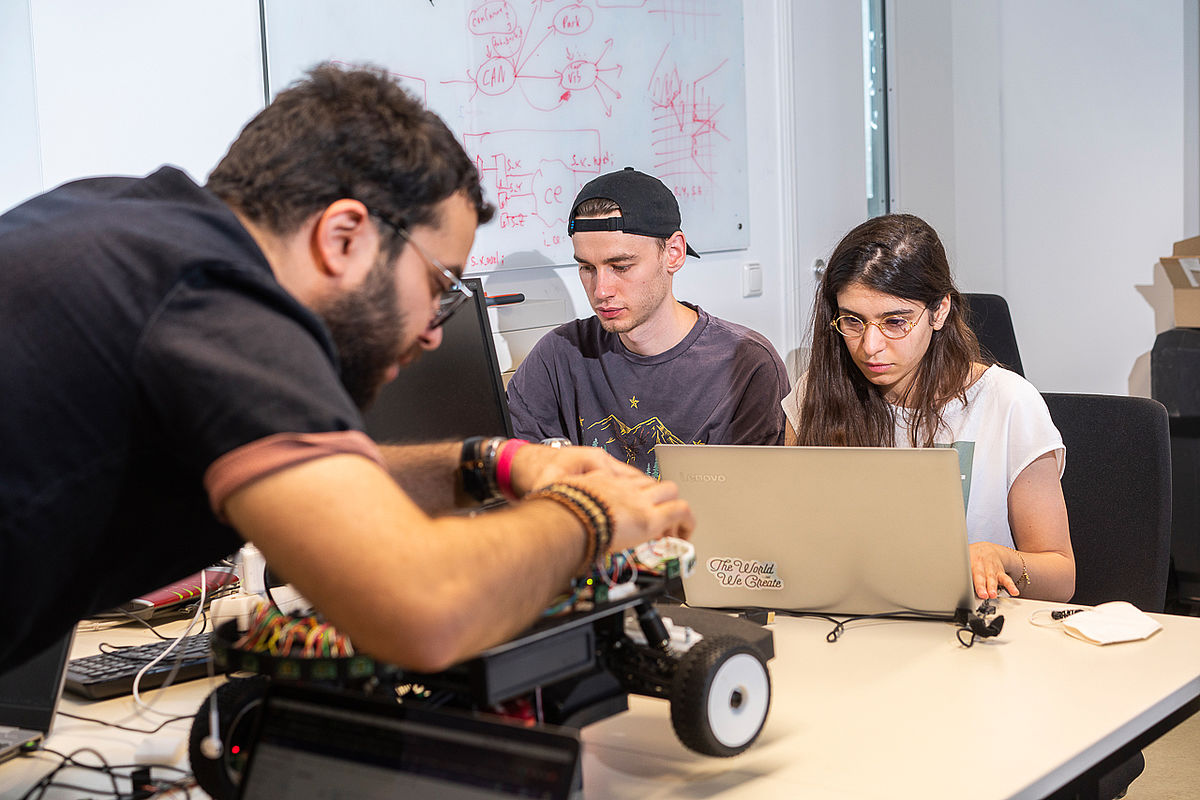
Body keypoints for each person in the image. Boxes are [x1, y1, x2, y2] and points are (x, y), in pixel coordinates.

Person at [0, 64, 693, 673]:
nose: (433, 332)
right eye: (438, 284)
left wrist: (496, 464)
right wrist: (592, 516)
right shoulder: (226, 308)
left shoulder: (131, 224)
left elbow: (325, 492)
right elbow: (422, 609)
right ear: (343, 237)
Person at [783, 213, 1074, 602]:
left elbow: (1061, 578)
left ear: (939, 311)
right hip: (847, 617)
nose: (870, 346)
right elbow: (787, 535)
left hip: (968, 627)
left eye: (895, 322)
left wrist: (1000, 558)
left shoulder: (1008, 404)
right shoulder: (816, 392)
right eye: (853, 321)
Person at [505, 167, 790, 476]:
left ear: (673, 253)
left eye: (621, 266)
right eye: (587, 268)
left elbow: (755, 496)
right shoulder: (560, 354)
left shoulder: (746, 366)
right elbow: (511, 466)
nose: (601, 291)